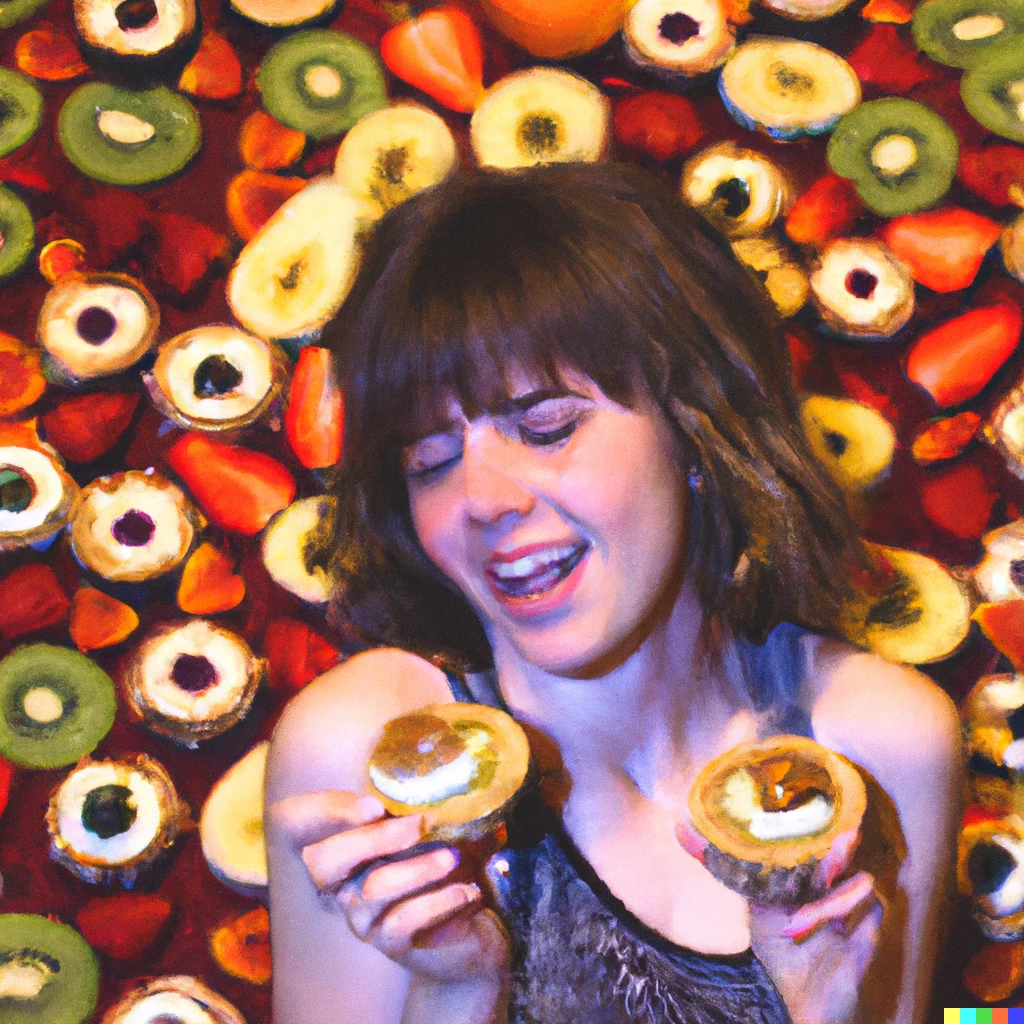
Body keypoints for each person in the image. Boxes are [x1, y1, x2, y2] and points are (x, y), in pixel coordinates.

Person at [264, 161, 963, 1024]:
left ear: (698, 428)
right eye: (429, 461)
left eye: (545, 426)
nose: (482, 498)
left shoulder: (878, 748)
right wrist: (454, 992)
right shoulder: (375, 763)